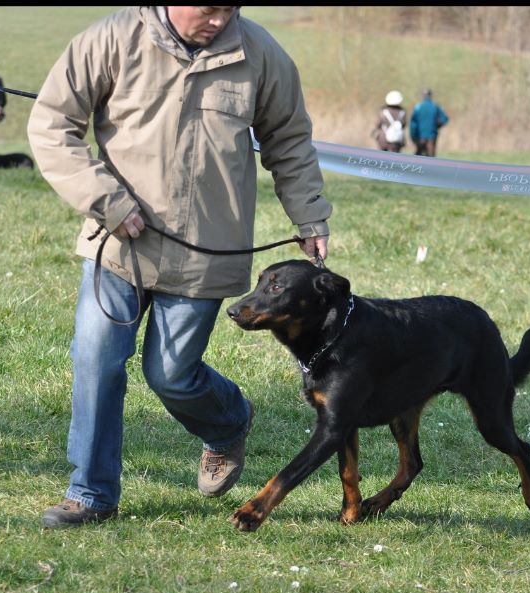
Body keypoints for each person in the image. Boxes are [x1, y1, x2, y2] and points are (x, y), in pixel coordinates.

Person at [28, 6, 332, 528]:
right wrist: (107, 201)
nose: (218, 20)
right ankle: (90, 493)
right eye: (208, 9)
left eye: (229, 9)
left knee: (171, 375)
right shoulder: (112, 39)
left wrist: (309, 215)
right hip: (119, 243)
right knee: (96, 361)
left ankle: (228, 421)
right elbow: (52, 125)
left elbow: (289, 139)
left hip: (206, 251)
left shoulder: (260, 54)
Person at [409, 88, 449, 156]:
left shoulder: (418, 107)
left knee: (418, 158)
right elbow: (445, 119)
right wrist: (438, 125)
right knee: (431, 158)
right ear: (430, 95)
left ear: (423, 96)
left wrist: (413, 136)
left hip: (420, 137)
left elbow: (413, 124)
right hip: (432, 136)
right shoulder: (436, 106)